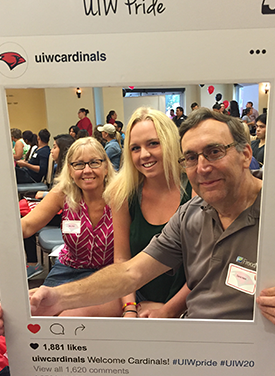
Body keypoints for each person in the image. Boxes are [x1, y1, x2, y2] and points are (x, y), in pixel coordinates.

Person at [28, 108, 275, 326]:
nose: (202, 167)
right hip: (190, 331)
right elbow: (130, 271)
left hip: (250, 346)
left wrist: (169, 309)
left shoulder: (214, 200)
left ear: (245, 155)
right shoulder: (192, 213)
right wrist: (57, 297)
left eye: (214, 152)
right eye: (191, 157)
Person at [104, 107, 192, 318]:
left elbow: (205, 268)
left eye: (153, 143)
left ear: (170, 142)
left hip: (190, 300)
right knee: (72, 316)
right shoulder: (123, 192)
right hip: (138, 296)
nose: (144, 154)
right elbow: (123, 259)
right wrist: (130, 308)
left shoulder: (195, 186)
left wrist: (167, 310)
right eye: (135, 148)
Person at [24, 137, 121, 319]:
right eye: (78, 164)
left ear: (106, 166)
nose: (87, 170)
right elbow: (27, 225)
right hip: (69, 269)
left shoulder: (120, 195)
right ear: (69, 169)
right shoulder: (63, 193)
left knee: (70, 319)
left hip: (109, 273)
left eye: (94, 162)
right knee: (35, 312)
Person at [23, 134, 75, 278]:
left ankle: (33, 264)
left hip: (64, 218)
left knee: (27, 217)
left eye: (55, 147)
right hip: (60, 212)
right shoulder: (58, 167)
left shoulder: (71, 173)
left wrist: (46, 196)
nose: (51, 151)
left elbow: (67, 196)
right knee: (26, 218)